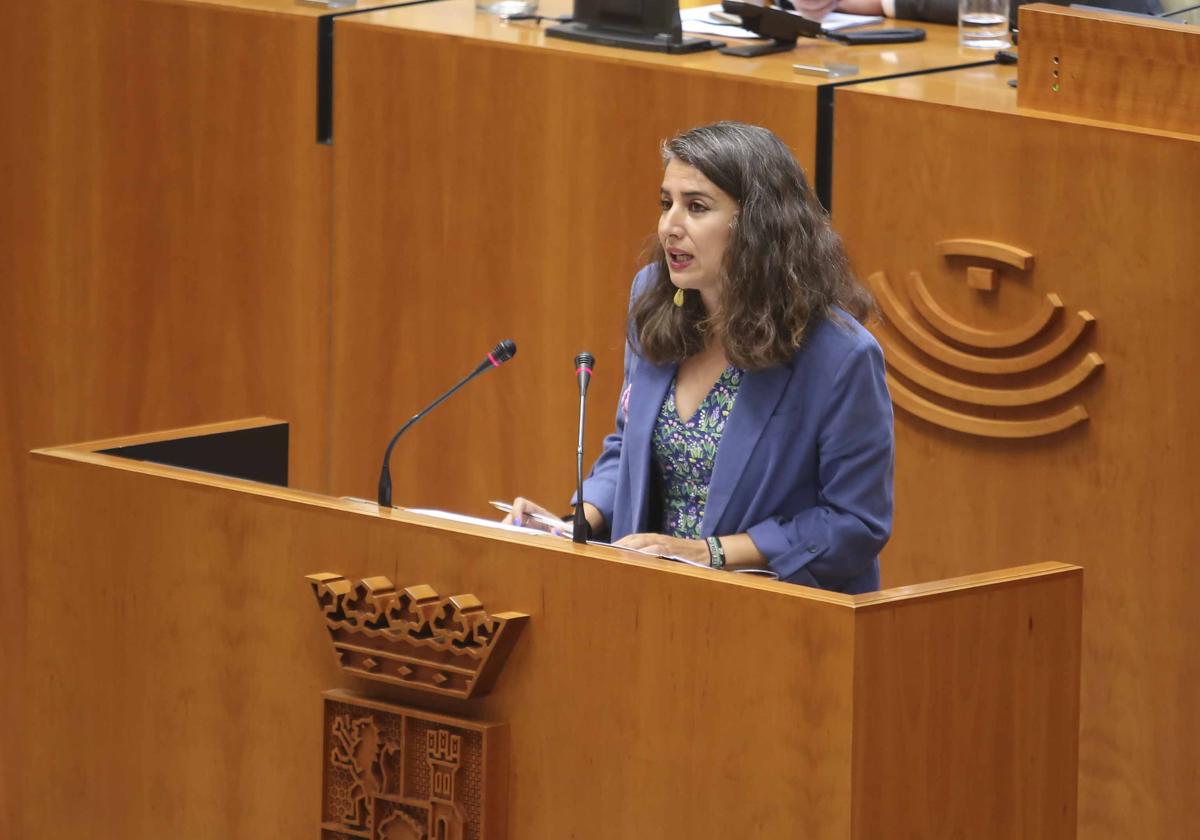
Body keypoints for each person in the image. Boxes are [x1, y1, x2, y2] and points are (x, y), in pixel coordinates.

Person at [505, 122, 893, 594]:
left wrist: (710, 553)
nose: (670, 226)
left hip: (776, 609)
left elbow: (854, 523)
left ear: (758, 225)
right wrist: (576, 523)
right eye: (667, 203)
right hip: (651, 597)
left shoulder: (838, 355)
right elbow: (628, 447)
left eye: (697, 207)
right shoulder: (652, 297)